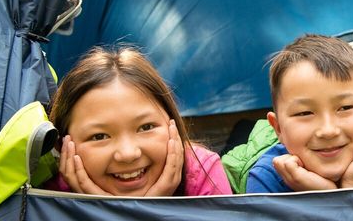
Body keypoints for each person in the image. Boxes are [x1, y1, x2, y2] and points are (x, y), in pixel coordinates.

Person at [44, 46, 232, 196]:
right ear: (62, 146)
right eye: (99, 136)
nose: (128, 154)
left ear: (172, 123)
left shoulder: (202, 173)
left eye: (146, 127)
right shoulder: (45, 196)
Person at [246, 34, 353, 193]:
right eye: (305, 113)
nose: (328, 131)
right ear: (278, 128)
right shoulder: (265, 179)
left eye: (345, 108)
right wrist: (325, 196)